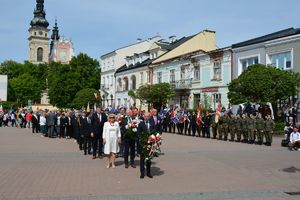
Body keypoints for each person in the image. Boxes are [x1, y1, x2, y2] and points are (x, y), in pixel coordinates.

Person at [137, 112, 155, 179]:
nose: (147, 117)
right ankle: (142, 173)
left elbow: (154, 132)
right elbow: (138, 134)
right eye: (145, 116)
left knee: (149, 159)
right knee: (142, 159)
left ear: (149, 117)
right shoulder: (141, 124)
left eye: (148, 116)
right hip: (143, 144)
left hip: (150, 144)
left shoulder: (152, 124)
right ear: (143, 117)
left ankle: (148, 172)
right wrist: (142, 139)